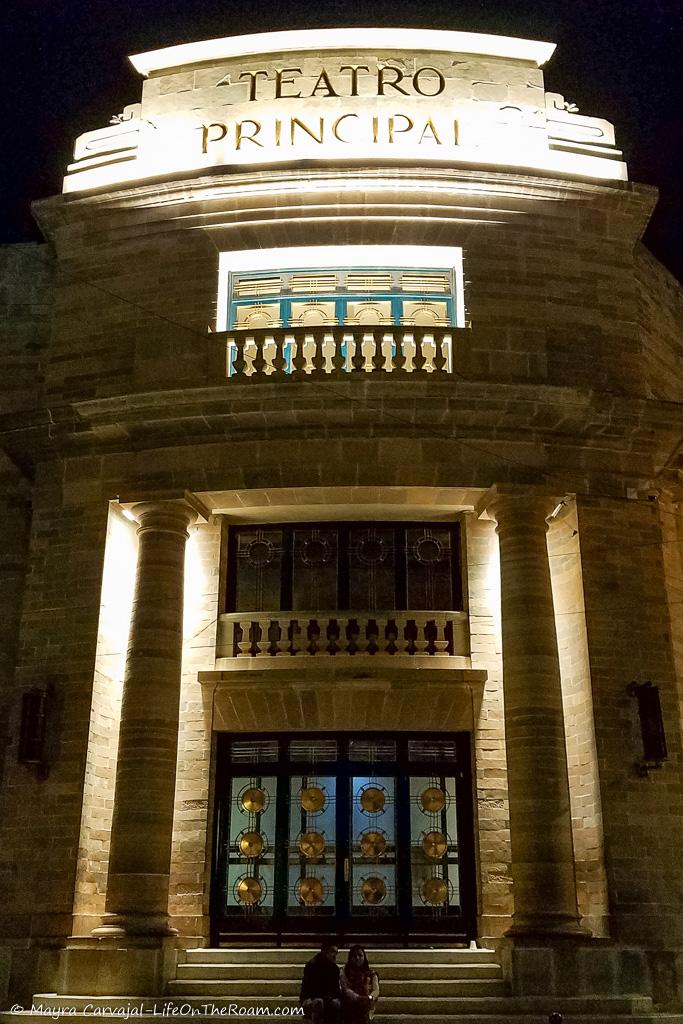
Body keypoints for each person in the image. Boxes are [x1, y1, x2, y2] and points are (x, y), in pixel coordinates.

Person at [300, 938, 342, 1024]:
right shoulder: (312, 966)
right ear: (324, 952)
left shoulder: (334, 969)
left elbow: (336, 989)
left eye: (336, 953)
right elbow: (311, 990)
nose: (334, 955)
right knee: (318, 1003)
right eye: (332, 952)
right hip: (311, 998)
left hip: (327, 998)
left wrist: (336, 999)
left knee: (337, 1004)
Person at [340, 945, 379, 1024]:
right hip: (350, 1000)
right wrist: (357, 998)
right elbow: (345, 988)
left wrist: (369, 998)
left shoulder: (371, 973)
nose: (357, 958)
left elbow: (376, 990)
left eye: (360, 955)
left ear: (364, 957)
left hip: (366, 1001)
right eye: (354, 956)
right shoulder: (344, 972)